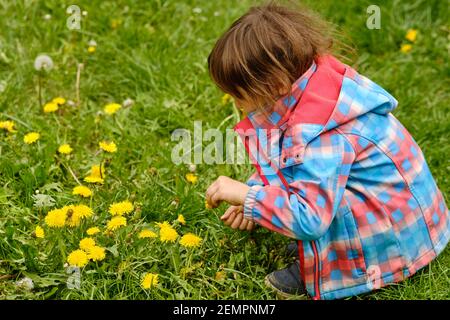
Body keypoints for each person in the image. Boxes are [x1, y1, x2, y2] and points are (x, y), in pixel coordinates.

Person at [204, 3, 449, 300]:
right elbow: (293, 161)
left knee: (309, 216)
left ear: (277, 84)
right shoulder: (318, 86)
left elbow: (309, 219)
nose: (234, 102)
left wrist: (248, 196)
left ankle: (323, 266)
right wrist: (257, 192)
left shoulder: (323, 136)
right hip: (413, 225)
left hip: (397, 245)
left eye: (237, 95)